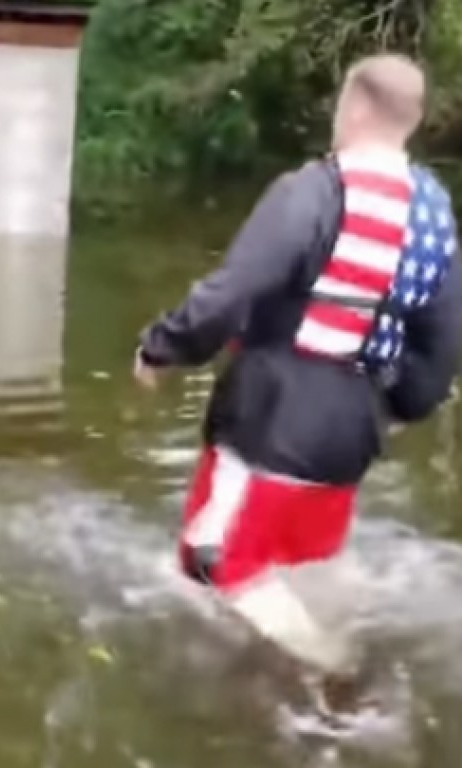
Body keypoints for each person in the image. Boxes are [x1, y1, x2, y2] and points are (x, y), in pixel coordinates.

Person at [133, 54, 462, 712]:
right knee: (303, 567)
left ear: (354, 107)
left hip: (269, 425)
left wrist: (163, 347)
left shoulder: (313, 191)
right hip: (350, 439)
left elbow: (232, 293)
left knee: (207, 566)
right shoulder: (434, 214)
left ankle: (340, 680)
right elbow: (443, 344)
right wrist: (394, 408)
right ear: (413, 121)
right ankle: (307, 685)